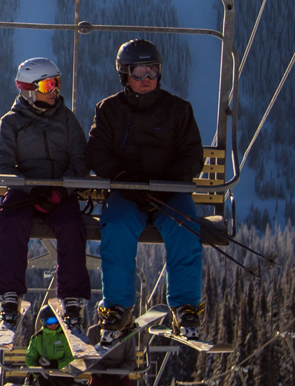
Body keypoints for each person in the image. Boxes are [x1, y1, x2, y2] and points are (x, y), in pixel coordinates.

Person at [85, 39, 205, 342]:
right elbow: (97, 152)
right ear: (124, 75)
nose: (146, 80)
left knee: (185, 227)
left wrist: (170, 182)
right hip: (128, 192)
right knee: (116, 229)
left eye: (152, 71)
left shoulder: (178, 110)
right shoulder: (109, 110)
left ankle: (185, 305)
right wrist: (122, 177)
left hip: (169, 191)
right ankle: (117, 307)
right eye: (139, 73)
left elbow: (192, 155)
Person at [0, 57, 90, 333]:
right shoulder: (11, 123)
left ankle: (72, 298)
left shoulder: (67, 120)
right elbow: (3, 165)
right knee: (12, 220)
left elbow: (80, 159)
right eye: (48, 85)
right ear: (30, 90)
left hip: (59, 191)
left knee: (71, 226)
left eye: (56, 83)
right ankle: (9, 294)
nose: (55, 90)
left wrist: (62, 190)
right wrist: (29, 188)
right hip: (26, 192)